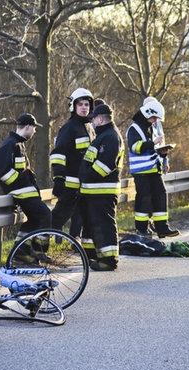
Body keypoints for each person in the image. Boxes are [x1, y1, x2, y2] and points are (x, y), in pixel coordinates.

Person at [0, 113, 51, 262]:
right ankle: (40, 252)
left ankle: (21, 251)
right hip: (21, 193)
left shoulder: (18, 144)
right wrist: (21, 181)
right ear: (27, 127)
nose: (34, 132)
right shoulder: (10, 145)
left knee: (33, 220)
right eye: (34, 128)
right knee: (45, 215)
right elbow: (2, 172)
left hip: (25, 192)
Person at [126, 98, 180, 238]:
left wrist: (163, 153)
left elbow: (153, 147)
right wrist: (152, 143)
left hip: (154, 170)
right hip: (141, 172)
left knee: (161, 196)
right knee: (144, 200)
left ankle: (162, 228)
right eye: (154, 117)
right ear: (147, 114)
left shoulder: (151, 127)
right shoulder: (134, 128)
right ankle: (142, 229)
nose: (156, 121)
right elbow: (135, 147)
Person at [79, 103, 124, 271]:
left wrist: (87, 174)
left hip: (102, 192)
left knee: (104, 225)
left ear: (99, 119)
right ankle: (94, 257)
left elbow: (105, 165)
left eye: (93, 119)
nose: (92, 123)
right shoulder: (103, 135)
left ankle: (109, 260)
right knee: (93, 225)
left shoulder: (111, 137)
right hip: (93, 192)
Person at [50, 88, 95, 242]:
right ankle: (39, 248)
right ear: (73, 106)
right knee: (58, 217)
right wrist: (58, 178)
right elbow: (57, 154)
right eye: (81, 104)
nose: (84, 108)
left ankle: (75, 241)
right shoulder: (68, 127)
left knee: (83, 215)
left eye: (87, 105)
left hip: (84, 184)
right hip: (69, 184)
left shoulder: (89, 128)